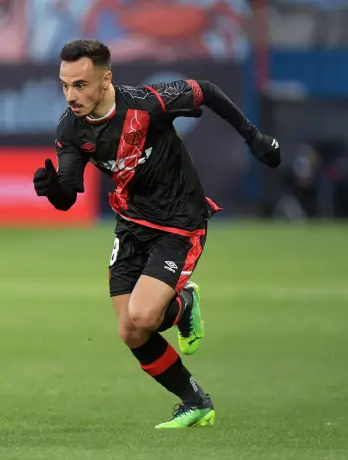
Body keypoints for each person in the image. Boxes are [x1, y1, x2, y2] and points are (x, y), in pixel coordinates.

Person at [33, 40, 280, 428]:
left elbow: (207, 92)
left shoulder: (147, 103)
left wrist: (253, 137)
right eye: (65, 85)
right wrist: (52, 190)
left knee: (144, 315)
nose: (71, 95)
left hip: (179, 222)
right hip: (131, 224)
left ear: (106, 78)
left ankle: (182, 303)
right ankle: (194, 400)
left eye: (80, 84)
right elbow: (67, 194)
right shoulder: (71, 127)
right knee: (130, 330)